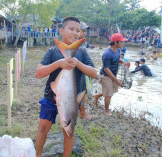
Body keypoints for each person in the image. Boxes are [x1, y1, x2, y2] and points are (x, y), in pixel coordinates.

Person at [34, 17, 97, 157]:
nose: (75, 33)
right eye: (71, 29)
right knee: (43, 128)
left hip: (71, 101)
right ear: (61, 30)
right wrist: (59, 63)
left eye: (78, 30)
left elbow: (94, 74)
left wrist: (78, 63)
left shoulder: (82, 53)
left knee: (69, 132)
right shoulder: (52, 51)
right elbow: (38, 73)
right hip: (51, 98)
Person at [94, 33, 127, 116]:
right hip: (105, 76)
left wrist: (122, 61)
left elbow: (116, 59)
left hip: (112, 74)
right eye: (121, 42)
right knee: (108, 94)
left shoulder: (118, 50)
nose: (122, 43)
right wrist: (116, 80)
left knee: (111, 91)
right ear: (116, 42)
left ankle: (97, 96)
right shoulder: (107, 54)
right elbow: (106, 69)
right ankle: (107, 110)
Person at [79, 22, 94, 119]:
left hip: (81, 71)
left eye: (85, 31)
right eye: (82, 31)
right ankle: (82, 112)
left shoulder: (82, 44)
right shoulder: (77, 44)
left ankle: (82, 111)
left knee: (82, 91)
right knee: (81, 91)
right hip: (77, 71)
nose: (85, 33)